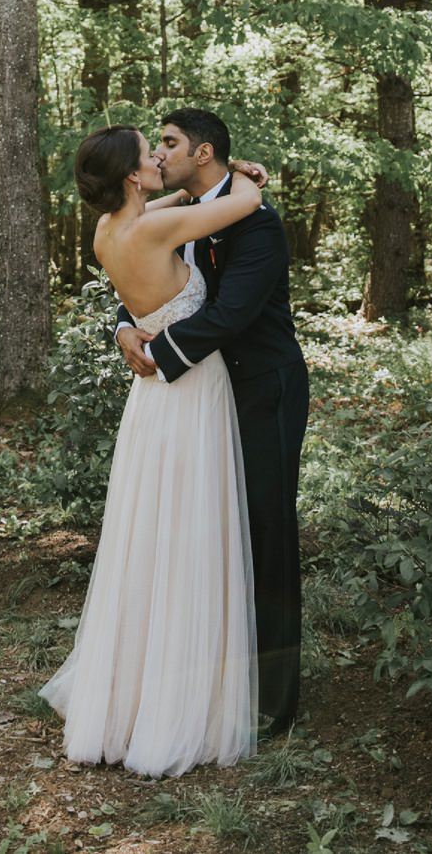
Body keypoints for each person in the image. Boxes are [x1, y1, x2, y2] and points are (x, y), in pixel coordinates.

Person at [39, 122, 266, 777]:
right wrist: (244, 174)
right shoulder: (152, 230)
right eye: (149, 155)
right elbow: (242, 204)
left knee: (149, 539)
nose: (159, 159)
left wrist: (185, 190)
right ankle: (179, 704)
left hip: (152, 402)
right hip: (192, 392)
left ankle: (131, 696)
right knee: (189, 535)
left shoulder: (112, 230)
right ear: (134, 176)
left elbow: (177, 204)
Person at [109, 106, 312, 740]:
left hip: (263, 388)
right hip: (205, 393)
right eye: (156, 144)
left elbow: (231, 315)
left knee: (266, 526)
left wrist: (157, 355)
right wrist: (123, 329)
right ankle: (217, 672)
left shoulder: (259, 224)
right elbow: (145, 281)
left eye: (168, 143)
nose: (160, 153)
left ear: (202, 153)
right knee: (212, 530)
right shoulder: (175, 216)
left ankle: (274, 697)